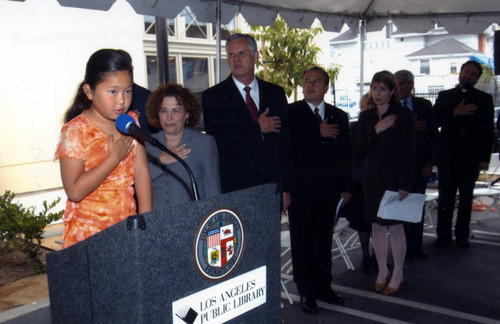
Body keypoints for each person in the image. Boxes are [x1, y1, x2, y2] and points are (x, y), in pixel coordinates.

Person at [54, 49, 152, 248]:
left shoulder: (130, 122)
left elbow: (141, 173)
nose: (121, 101)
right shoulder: (74, 131)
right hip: (88, 237)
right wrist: (113, 158)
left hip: (126, 230)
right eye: (112, 92)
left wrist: (147, 222)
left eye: (128, 91)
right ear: (89, 91)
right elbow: (74, 190)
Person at [287, 67, 351, 314]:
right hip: (301, 191)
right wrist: (317, 132)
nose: (310, 85)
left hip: (329, 191)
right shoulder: (292, 113)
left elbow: (345, 154)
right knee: (303, 242)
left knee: (324, 241)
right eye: (306, 81)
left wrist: (346, 187)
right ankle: (306, 292)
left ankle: (324, 287)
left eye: (316, 81)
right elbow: (288, 149)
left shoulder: (339, 116)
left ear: (326, 87)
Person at [202, 33, 290, 211]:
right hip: (234, 190)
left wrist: (286, 188)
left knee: (270, 239)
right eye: (231, 55)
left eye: (242, 53)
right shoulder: (214, 97)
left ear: (256, 56)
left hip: (270, 188)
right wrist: (257, 130)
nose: (236, 60)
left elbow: (285, 146)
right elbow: (217, 143)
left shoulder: (275, 93)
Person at [355, 70, 415, 295]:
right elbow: (359, 148)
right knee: (377, 226)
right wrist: (376, 130)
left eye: (381, 89)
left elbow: (410, 153)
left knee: (397, 227)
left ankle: (398, 272)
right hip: (371, 179)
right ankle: (382, 270)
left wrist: (405, 183)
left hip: (395, 179)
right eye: (373, 88)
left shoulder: (403, 116)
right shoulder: (367, 117)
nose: (377, 93)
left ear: (392, 91)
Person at [434, 60, 494, 249]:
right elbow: (434, 120)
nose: (469, 76)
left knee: (466, 198)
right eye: (467, 72)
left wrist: (485, 158)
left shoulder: (484, 99)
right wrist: (454, 112)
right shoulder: (445, 96)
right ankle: (443, 236)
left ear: (476, 78)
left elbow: (487, 131)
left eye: (473, 74)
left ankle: (462, 236)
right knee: (445, 199)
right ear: (460, 73)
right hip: (448, 157)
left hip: (471, 158)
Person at [145, 82, 221, 210]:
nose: (169, 117)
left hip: (193, 223)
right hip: (157, 223)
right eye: (164, 110)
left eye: (176, 111)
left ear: (187, 114)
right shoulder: (146, 144)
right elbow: (135, 184)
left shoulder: (204, 143)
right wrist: (160, 161)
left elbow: (213, 194)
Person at [395, 69, 438, 260]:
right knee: (400, 210)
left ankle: (415, 248)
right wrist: (408, 125)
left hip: (420, 165)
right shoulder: (391, 106)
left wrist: (430, 162)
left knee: (417, 208)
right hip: (398, 168)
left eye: (403, 83)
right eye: (396, 83)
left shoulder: (424, 105)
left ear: (411, 85)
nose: (400, 87)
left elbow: (433, 136)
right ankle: (401, 249)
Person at [342, 93, 376, 273]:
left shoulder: (385, 125)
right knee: (363, 221)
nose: (366, 110)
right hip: (359, 181)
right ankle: (365, 256)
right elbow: (353, 152)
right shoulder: (353, 127)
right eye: (364, 107)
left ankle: (377, 257)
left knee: (378, 222)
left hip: (377, 181)